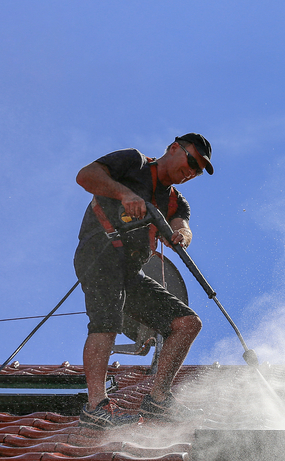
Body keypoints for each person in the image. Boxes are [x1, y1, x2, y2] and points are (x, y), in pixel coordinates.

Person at [73, 133, 214, 428]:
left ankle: (158, 401)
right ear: (174, 148)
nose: (190, 172)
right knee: (106, 321)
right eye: (191, 161)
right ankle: (95, 408)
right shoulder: (133, 163)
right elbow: (86, 176)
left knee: (187, 323)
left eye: (197, 170)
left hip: (129, 271)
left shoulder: (176, 201)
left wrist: (181, 236)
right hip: (100, 253)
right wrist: (125, 194)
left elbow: (181, 225)